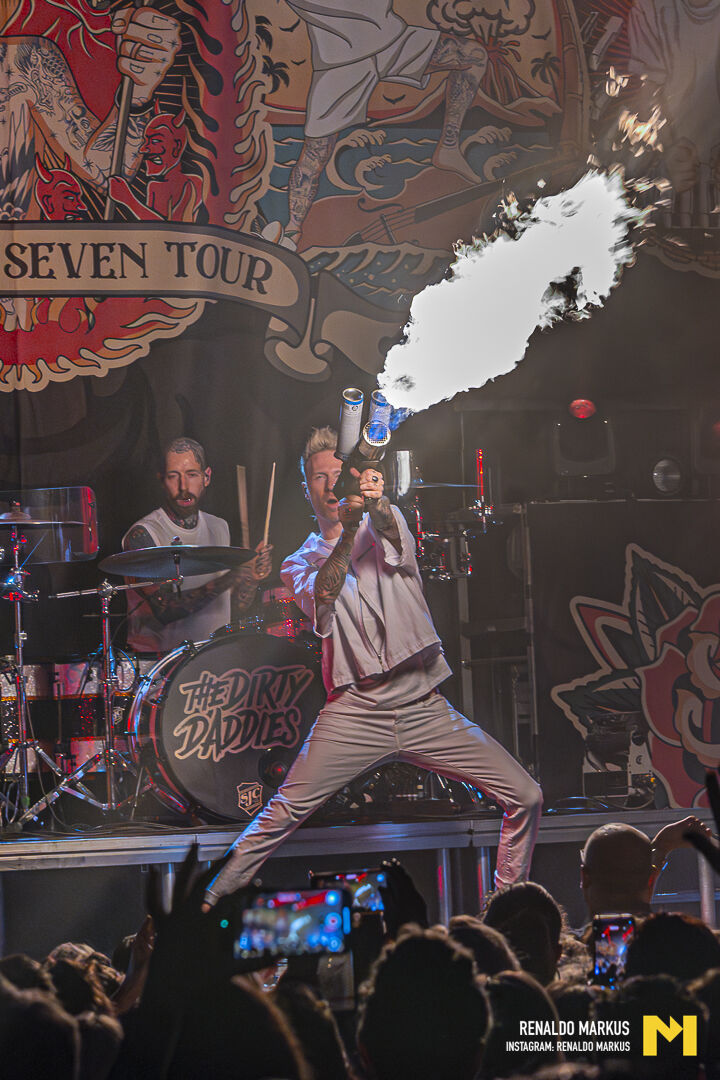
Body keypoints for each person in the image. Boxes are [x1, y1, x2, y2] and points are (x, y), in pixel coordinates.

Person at [204, 425, 542, 906]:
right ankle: (201, 908)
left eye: (338, 475)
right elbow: (324, 596)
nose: (330, 485)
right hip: (355, 712)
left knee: (526, 796)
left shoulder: (387, 519)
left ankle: (507, 912)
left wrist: (377, 502)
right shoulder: (297, 563)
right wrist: (346, 533)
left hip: (422, 704)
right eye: (319, 477)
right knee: (279, 816)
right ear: (306, 488)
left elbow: (388, 529)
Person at [122, 437, 272, 653]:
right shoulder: (144, 534)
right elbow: (165, 610)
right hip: (161, 662)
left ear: (206, 477)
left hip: (211, 657)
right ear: (162, 480)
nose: (183, 487)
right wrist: (232, 576)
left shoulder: (219, 527)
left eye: (192, 474)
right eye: (173, 476)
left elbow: (228, 607)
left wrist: (250, 578)